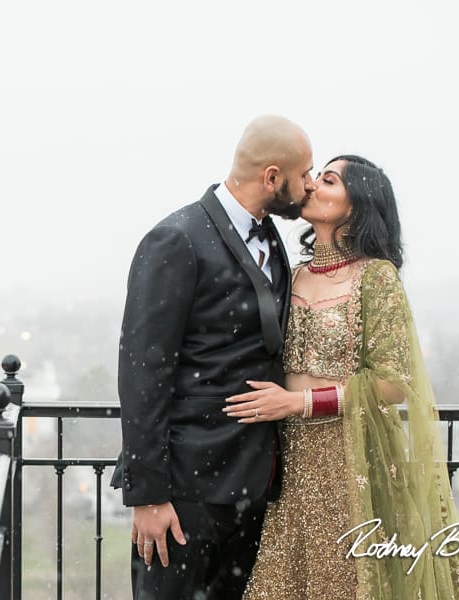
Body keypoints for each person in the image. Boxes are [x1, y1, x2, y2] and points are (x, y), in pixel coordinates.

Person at [223, 155, 459, 599]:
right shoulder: (294, 273)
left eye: (327, 180)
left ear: (358, 203)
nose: (310, 187)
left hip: (350, 463)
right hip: (287, 466)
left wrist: (297, 403)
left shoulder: (376, 278)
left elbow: (394, 382)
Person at [111, 115, 317, 599]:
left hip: (250, 488)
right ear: (272, 177)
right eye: (303, 174)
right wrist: (150, 495)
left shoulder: (272, 240)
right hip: (184, 493)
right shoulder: (177, 238)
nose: (308, 185)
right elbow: (143, 373)